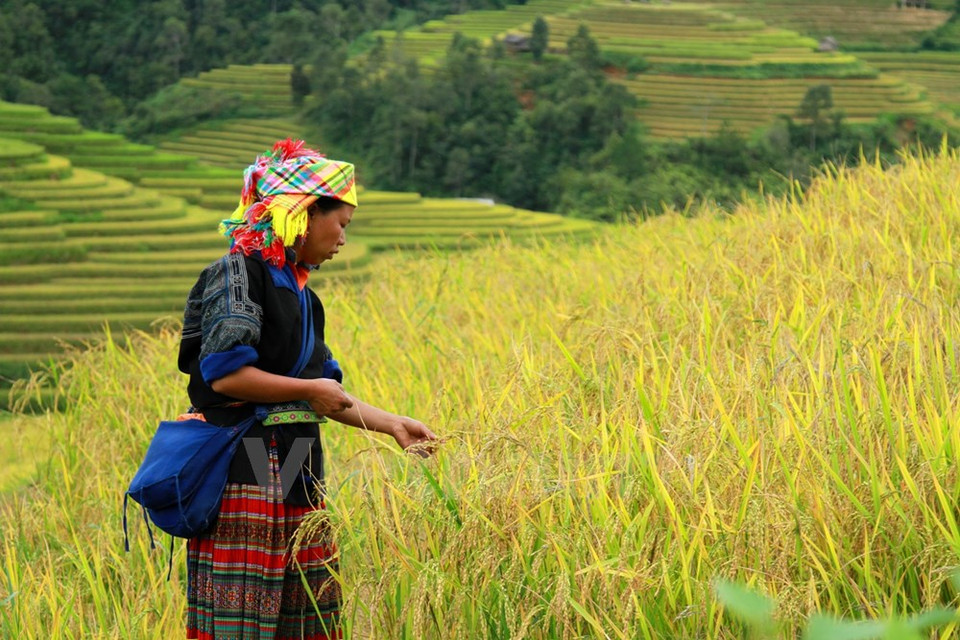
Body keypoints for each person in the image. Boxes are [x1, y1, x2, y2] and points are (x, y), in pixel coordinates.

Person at [178, 138, 437, 640]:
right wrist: (312, 390)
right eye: (341, 223)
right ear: (305, 213)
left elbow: (324, 390)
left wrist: (393, 426)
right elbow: (226, 374)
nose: (343, 238)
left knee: (304, 614)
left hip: (297, 463)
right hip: (245, 462)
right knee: (244, 614)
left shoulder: (303, 296)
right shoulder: (238, 275)